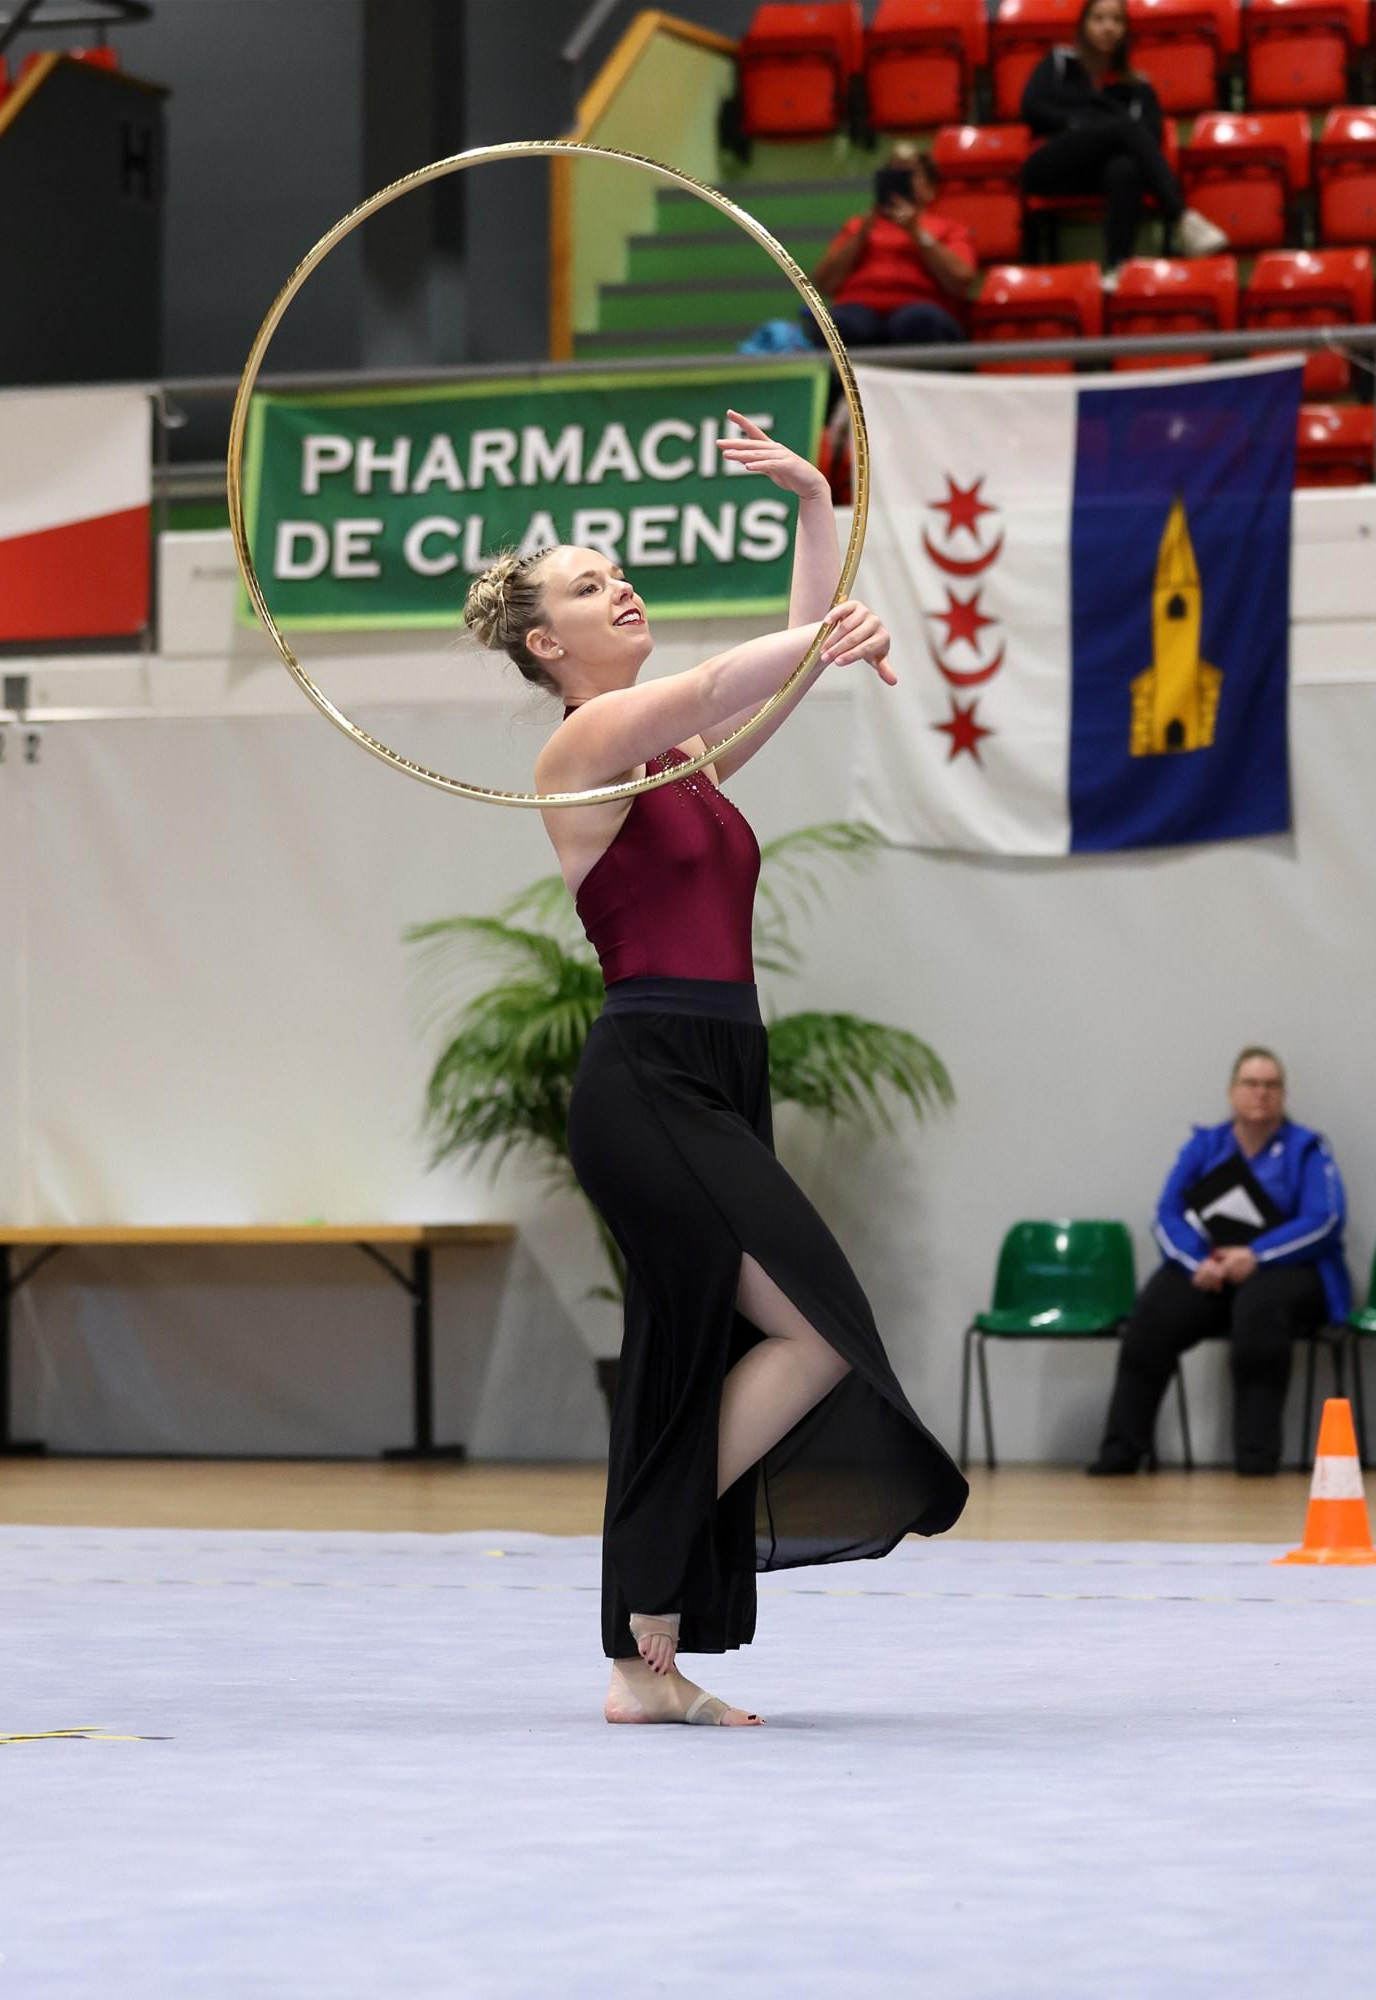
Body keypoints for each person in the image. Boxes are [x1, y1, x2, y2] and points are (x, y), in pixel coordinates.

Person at [462, 409, 967, 1728]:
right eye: (587, 586)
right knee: (816, 1329)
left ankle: (644, 1664)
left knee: (709, 1348)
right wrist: (832, 631)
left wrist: (814, 505)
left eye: (614, 571)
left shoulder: (673, 761)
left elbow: (773, 688)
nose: (618, 586)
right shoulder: (583, 749)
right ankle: (652, 1579)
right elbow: (713, 687)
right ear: (545, 645)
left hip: (722, 1067)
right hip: (651, 1077)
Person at [1090, 1048, 1348, 1479]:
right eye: (1251, 1083)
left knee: (1259, 1309)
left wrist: (1257, 1255)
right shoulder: (1205, 1146)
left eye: (1271, 1085)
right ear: (1232, 1092)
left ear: (1283, 1095)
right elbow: (1166, 1213)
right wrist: (1197, 1263)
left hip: (1285, 1273)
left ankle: (1256, 1459)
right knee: (1154, 1311)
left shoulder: (1307, 1148)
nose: (1261, 1093)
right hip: (1212, 1269)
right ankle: (1121, 1451)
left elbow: (1325, 1221)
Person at [1019, 0, 1226, 268]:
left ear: (1126, 30)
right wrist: (1079, 126)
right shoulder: (1058, 63)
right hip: (1053, 164)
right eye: (1099, 19)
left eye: (1116, 21)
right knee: (1123, 127)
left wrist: (1106, 135)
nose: (1108, 28)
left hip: (1101, 174)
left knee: (1125, 168)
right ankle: (1181, 217)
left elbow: (1150, 137)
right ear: (1083, 25)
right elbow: (1032, 108)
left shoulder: (1138, 86)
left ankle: (1117, 268)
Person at [808, 143, 978, 349]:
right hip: (857, 309)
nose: (900, 180)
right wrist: (862, 235)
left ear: (930, 189)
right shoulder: (858, 227)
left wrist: (916, 233)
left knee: (916, 323)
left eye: (910, 174)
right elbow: (825, 282)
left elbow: (960, 280)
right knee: (837, 325)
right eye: (893, 174)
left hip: (921, 308)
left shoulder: (950, 228)